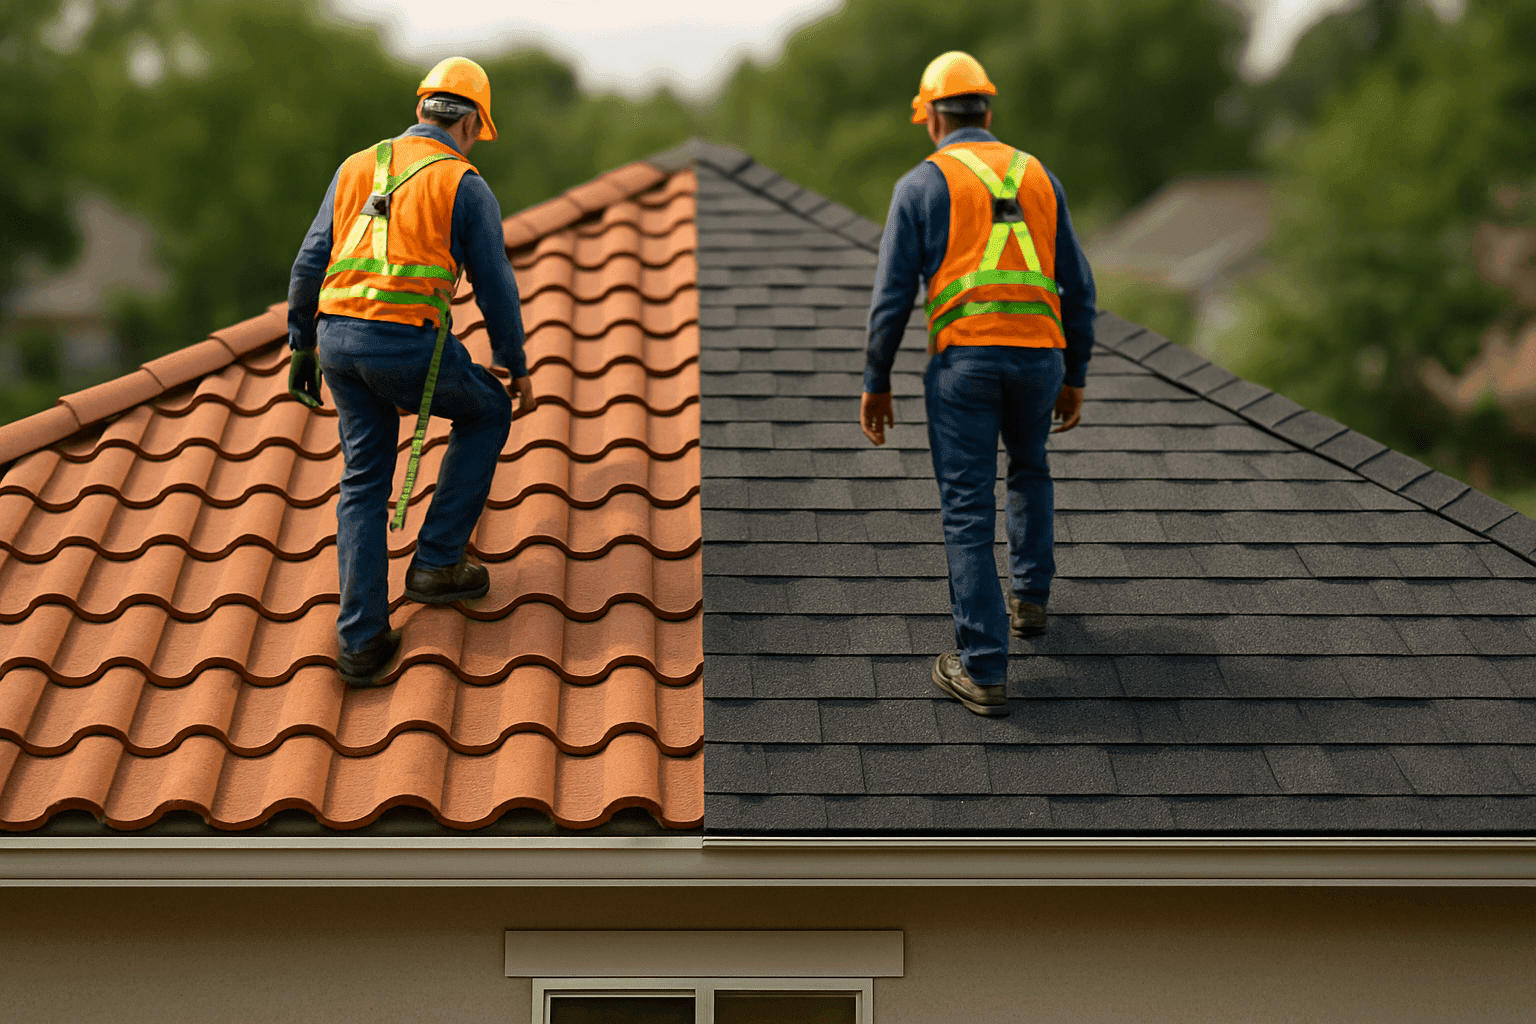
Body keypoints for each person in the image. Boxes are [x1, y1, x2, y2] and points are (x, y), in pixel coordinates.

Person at [860, 51, 1096, 717]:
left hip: (965, 362)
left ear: (932, 118)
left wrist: (877, 380)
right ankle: (1030, 601)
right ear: (987, 112)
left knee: (968, 507)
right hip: (1040, 358)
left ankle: (983, 669)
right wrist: (1076, 373)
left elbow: (892, 299)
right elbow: (1079, 287)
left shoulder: (921, 185)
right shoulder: (1039, 176)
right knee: (1030, 467)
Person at [286, 56, 534, 687]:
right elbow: (496, 286)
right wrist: (513, 363)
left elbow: (310, 263)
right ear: (472, 123)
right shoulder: (463, 184)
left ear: (421, 108)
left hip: (337, 344)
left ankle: (361, 642)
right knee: (487, 408)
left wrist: (302, 347)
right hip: (404, 345)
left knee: (364, 480)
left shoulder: (358, 166)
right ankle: (438, 563)